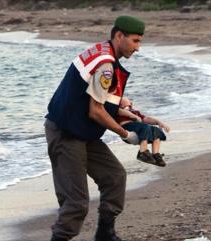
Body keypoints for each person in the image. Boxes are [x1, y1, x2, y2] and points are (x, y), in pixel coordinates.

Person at [44, 16, 145, 241]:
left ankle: (105, 235)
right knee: (76, 203)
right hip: (66, 133)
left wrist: (120, 104)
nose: (138, 48)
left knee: (114, 176)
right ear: (119, 36)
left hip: (82, 131)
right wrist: (126, 134)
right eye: (135, 41)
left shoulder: (101, 50)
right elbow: (96, 111)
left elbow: (91, 93)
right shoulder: (106, 65)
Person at [117, 97, 170, 167]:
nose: (129, 106)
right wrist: (133, 116)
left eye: (130, 105)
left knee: (155, 130)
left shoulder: (135, 112)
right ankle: (143, 152)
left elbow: (146, 119)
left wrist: (159, 122)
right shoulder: (118, 110)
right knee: (145, 126)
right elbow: (118, 110)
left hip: (139, 128)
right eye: (125, 105)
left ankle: (156, 155)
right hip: (127, 127)